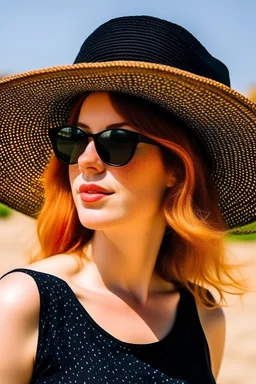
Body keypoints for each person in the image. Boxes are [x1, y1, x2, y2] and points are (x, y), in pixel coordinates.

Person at [0, 15, 256, 384]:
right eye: (74, 138)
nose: (86, 160)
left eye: (117, 141)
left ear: (178, 170)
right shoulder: (24, 304)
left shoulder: (204, 316)